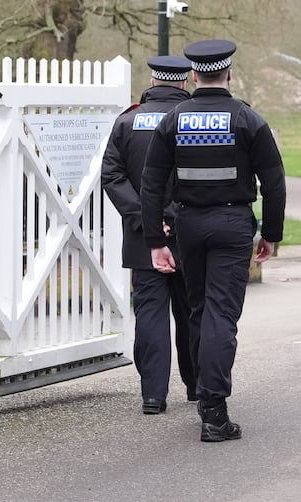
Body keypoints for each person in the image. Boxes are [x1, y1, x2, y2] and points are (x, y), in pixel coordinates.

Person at [139, 39, 286, 442]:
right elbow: (274, 182)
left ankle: (204, 397)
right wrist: (271, 234)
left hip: (188, 225)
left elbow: (152, 185)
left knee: (200, 310)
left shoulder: (174, 119)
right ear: (229, 73)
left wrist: (156, 240)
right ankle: (214, 412)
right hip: (233, 224)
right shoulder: (247, 119)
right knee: (222, 313)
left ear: (193, 75)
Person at [101, 55, 198, 415]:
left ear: (153, 81)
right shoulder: (194, 121)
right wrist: (175, 217)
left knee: (151, 313)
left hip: (144, 235)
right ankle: (196, 385)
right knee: (191, 310)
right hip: (190, 229)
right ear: (185, 82)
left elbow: (112, 176)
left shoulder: (127, 121)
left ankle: (153, 395)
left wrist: (148, 218)